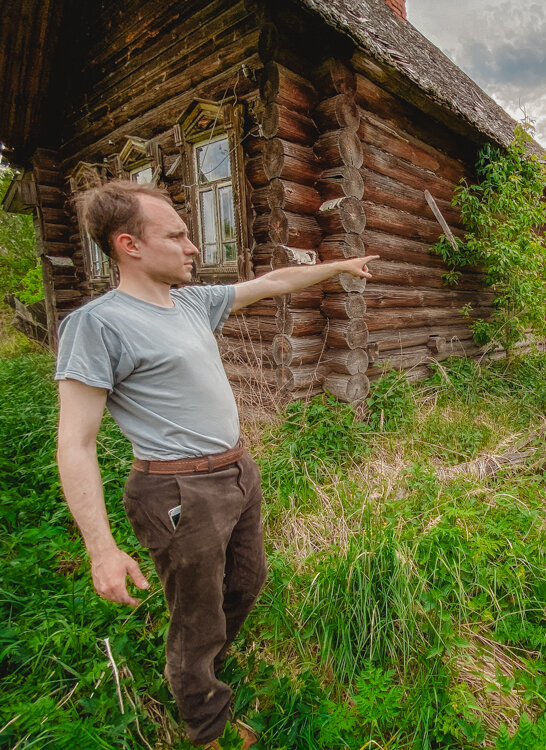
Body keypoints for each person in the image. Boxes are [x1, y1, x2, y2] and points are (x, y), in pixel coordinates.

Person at [54, 180, 376, 748]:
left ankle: (202, 662)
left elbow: (272, 282)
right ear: (129, 244)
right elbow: (75, 442)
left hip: (236, 472)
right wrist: (100, 549)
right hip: (177, 490)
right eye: (176, 235)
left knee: (248, 580)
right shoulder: (97, 324)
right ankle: (207, 725)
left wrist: (337, 267)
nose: (193, 246)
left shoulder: (191, 302)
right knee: (197, 615)